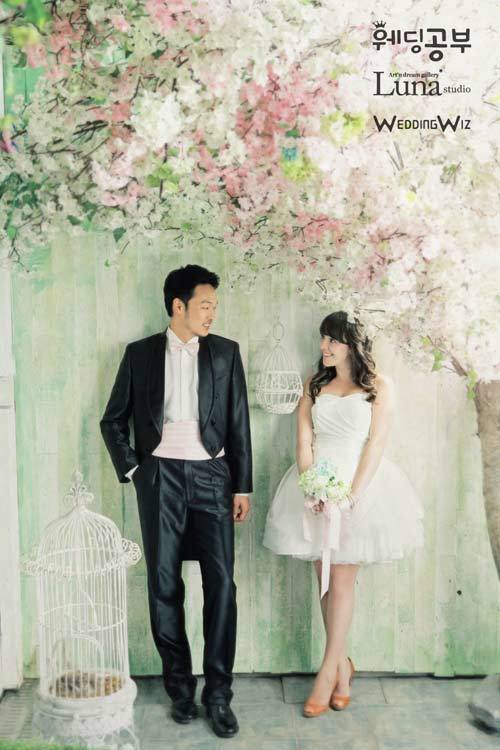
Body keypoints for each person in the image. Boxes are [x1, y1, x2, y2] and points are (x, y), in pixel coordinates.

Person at [100, 264, 252, 738]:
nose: (212, 314)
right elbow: (113, 419)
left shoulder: (226, 352)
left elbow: (239, 421)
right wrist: (136, 470)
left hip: (213, 476)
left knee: (221, 584)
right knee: (164, 582)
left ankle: (219, 694)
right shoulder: (140, 354)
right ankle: (181, 689)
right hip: (159, 476)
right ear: (178, 306)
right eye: (205, 305)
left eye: (214, 307)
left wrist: (242, 486)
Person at [263, 311, 423, 717]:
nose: (324, 347)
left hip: (361, 486)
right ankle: (342, 668)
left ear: (352, 344)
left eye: (332, 340)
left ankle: (327, 673)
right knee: (324, 578)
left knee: (342, 579)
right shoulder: (314, 383)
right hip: (317, 484)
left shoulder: (379, 386)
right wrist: (311, 486)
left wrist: (351, 496)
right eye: (322, 338)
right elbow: (304, 441)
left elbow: (376, 444)